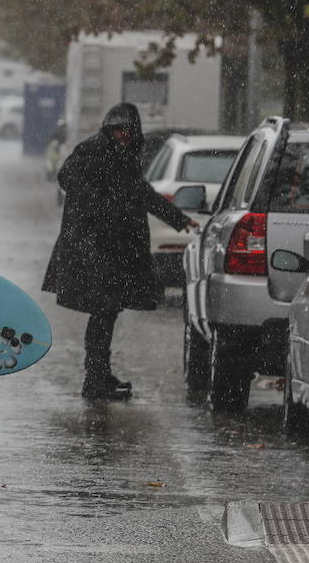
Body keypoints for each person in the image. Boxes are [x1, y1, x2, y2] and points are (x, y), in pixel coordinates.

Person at [42, 102, 196, 399]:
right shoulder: (94, 150)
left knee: (107, 311)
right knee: (103, 311)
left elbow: (141, 192)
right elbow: (67, 178)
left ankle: (98, 375)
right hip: (95, 249)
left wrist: (178, 219)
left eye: (127, 131)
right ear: (108, 129)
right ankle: (95, 379)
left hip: (111, 248)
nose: (122, 136)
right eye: (117, 130)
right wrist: (102, 203)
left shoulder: (124, 157)